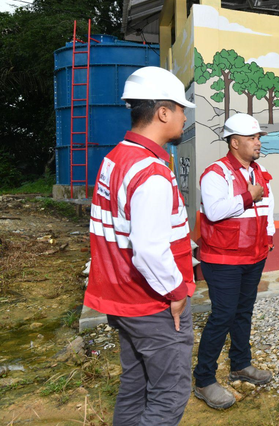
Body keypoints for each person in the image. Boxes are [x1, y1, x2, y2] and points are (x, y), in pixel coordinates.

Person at [84, 66, 195, 425]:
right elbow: (148, 249)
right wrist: (176, 291)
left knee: (136, 382)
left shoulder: (116, 157)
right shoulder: (150, 172)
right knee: (169, 394)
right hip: (151, 303)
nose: (183, 119)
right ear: (163, 112)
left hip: (120, 297)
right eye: (181, 110)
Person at [193, 113, 275, 409]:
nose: (258, 142)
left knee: (243, 312)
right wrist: (247, 195)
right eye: (253, 138)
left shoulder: (260, 170)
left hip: (254, 256)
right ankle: (203, 380)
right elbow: (214, 211)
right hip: (223, 259)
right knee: (222, 316)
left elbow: (268, 207)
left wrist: (269, 234)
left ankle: (241, 364)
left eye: (258, 138)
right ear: (234, 141)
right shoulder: (215, 173)